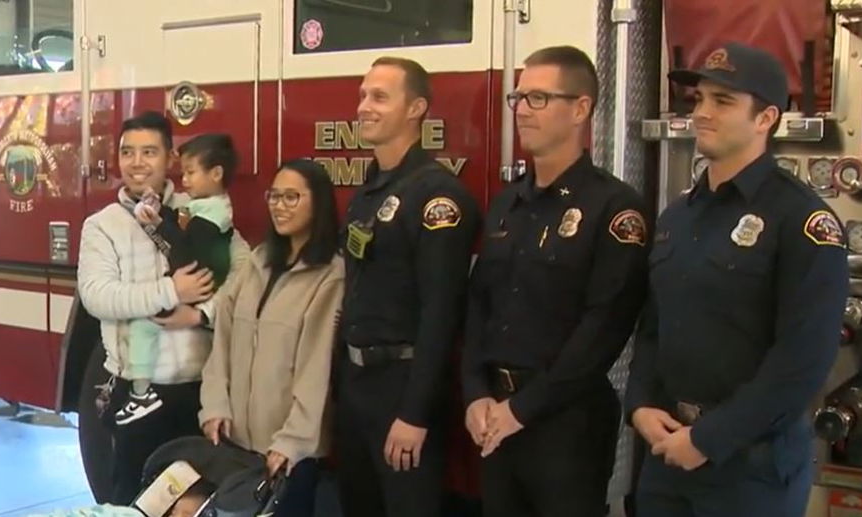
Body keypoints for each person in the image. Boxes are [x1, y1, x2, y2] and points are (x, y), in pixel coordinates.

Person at [624, 42, 849, 516]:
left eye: (722, 101)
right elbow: (653, 325)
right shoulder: (677, 217)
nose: (702, 113)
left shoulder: (802, 220)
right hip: (668, 458)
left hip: (750, 469)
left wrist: (709, 438)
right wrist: (640, 404)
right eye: (699, 99)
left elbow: (803, 360)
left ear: (766, 118)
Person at [461, 45, 649, 517]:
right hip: (496, 418)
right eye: (518, 98)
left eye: (538, 98)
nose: (522, 110)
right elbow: (479, 305)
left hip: (567, 424)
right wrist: (476, 392)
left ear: (580, 109)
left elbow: (603, 328)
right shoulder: (508, 204)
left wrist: (521, 410)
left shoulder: (614, 209)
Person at [77, 111, 250, 504]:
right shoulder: (102, 225)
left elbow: (245, 274)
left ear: (170, 158)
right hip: (138, 393)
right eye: (128, 152)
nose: (137, 162)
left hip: (201, 393)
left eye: (149, 151)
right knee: (132, 501)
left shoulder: (202, 209)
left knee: (197, 502)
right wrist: (171, 290)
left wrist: (201, 314)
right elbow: (97, 295)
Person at [334, 56, 480, 517]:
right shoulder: (370, 191)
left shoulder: (437, 196)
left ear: (416, 108)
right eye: (362, 95)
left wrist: (414, 413)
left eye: (379, 96)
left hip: (402, 388)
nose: (364, 107)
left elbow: (442, 313)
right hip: (357, 386)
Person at [198, 159, 344, 517]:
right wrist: (214, 404)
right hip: (236, 443)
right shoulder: (259, 259)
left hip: (288, 453)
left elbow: (317, 366)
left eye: (292, 197)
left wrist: (293, 440)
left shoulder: (330, 274)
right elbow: (224, 341)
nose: (280, 206)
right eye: (274, 196)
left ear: (319, 203)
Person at [118, 133, 241, 426]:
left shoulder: (210, 219)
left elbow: (185, 250)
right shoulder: (210, 206)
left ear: (216, 173)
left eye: (190, 172)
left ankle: (141, 392)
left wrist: (159, 225)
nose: (184, 180)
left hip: (197, 288)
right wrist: (161, 214)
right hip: (203, 287)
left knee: (143, 323)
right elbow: (183, 222)